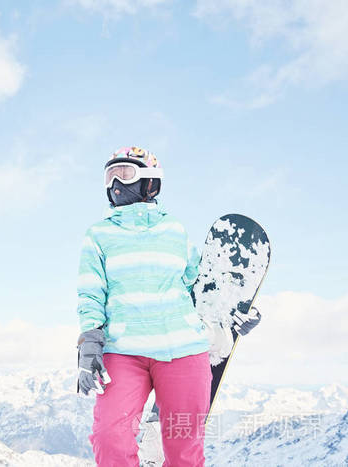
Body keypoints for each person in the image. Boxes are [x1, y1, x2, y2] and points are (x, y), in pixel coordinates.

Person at [75, 147, 211, 466]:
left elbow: (198, 280)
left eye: (125, 174)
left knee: (184, 449)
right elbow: (90, 291)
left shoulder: (174, 230)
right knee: (109, 437)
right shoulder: (98, 235)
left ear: (150, 182)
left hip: (183, 351)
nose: (115, 185)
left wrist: (230, 307)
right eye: (110, 177)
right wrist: (90, 340)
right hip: (124, 352)